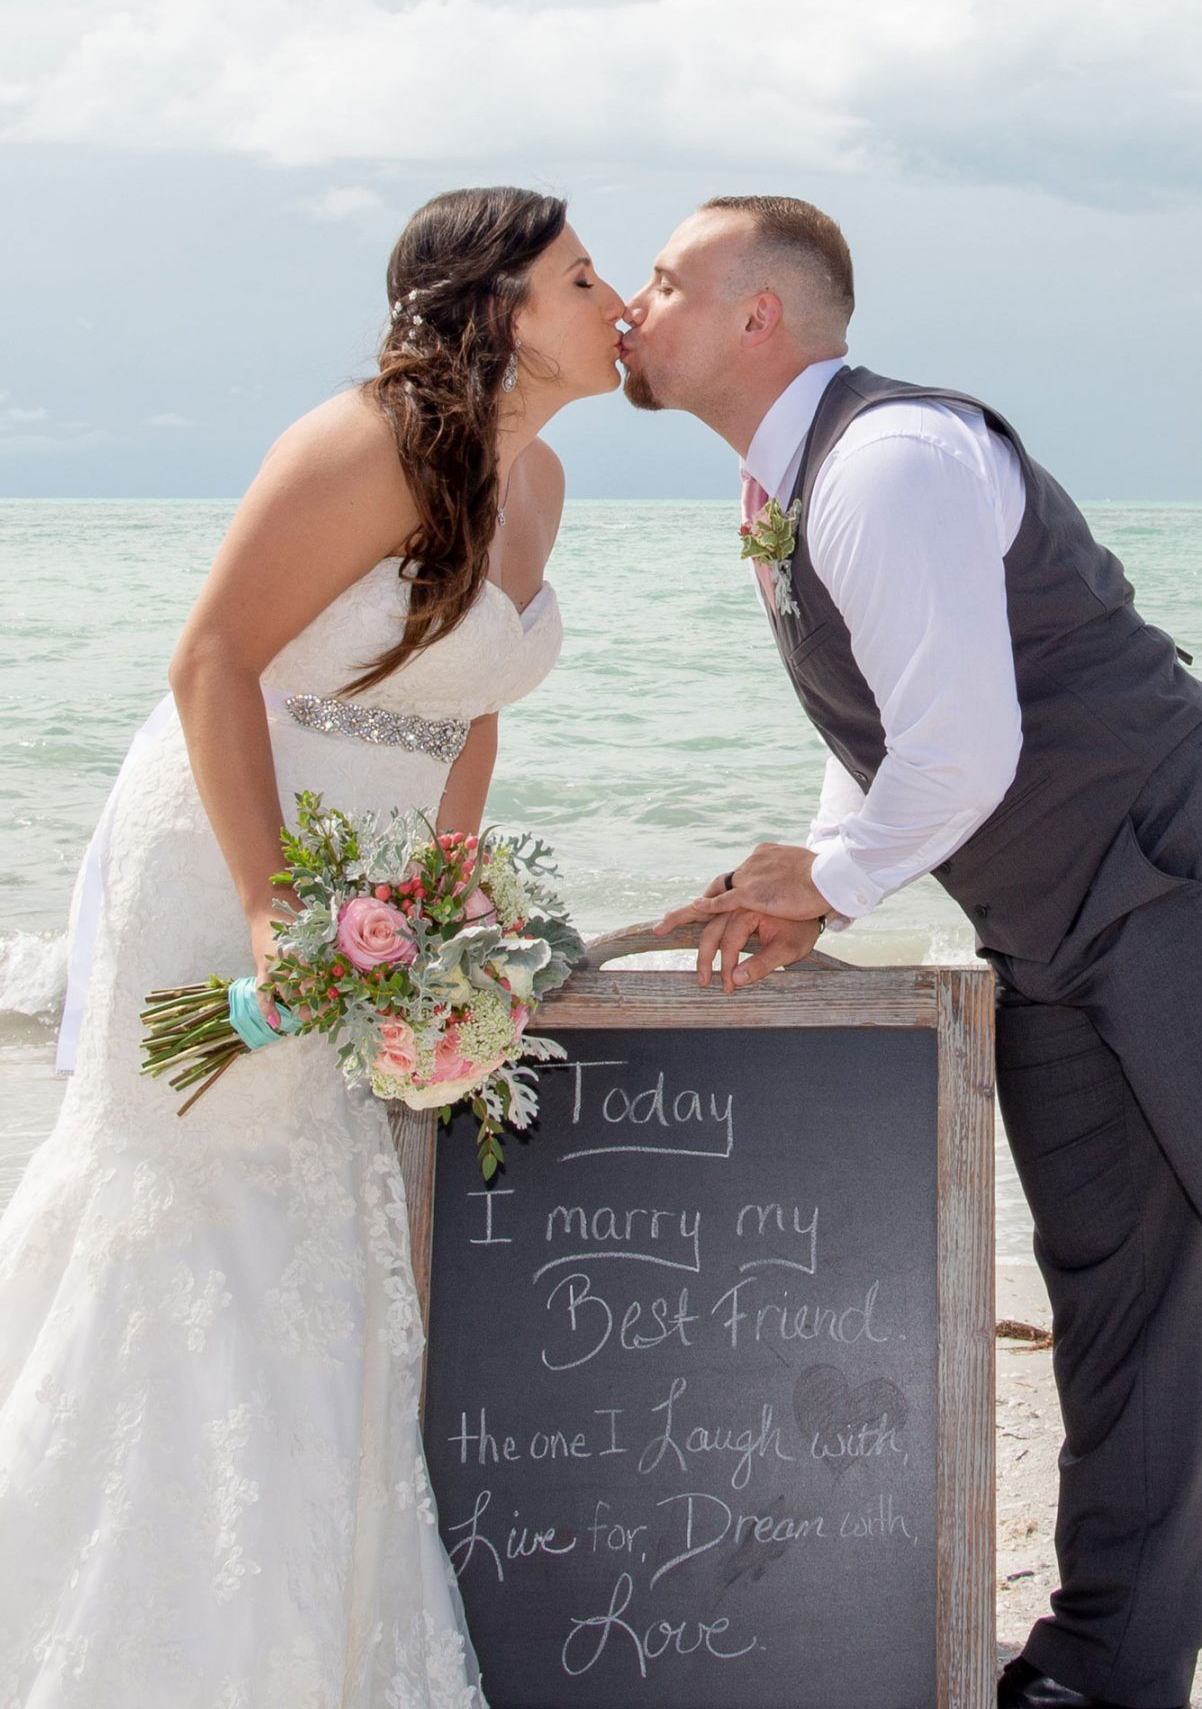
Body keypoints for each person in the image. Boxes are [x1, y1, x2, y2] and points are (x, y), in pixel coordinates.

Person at [0, 185, 625, 1707]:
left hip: (378, 891)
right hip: (232, 860)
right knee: (183, 1206)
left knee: (322, 1233)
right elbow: (211, 657)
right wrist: (277, 902)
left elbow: (463, 710)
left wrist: (458, 899)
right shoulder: (366, 441)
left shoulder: (532, 482)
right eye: (583, 277)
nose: (612, 305)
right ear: (497, 309)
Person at [631, 194, 1202, 1709]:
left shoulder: (883, 462)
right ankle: (1102, 1676)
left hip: (1172, 876)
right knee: (1120, 1304)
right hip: (1050, 935)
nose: (635, 302)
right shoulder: (787, 484)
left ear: (759, 317)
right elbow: (884, 729)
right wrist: (811, 877)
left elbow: (963, 745)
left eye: (666, 279)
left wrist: (828, 885)